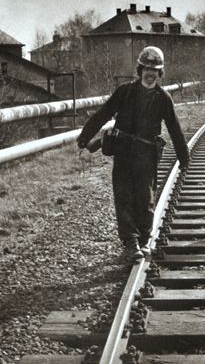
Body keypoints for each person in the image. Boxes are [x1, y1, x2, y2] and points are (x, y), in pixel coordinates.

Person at [77, 46, 189, 261]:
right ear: (140, 69)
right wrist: (85, 137)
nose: (150, 73)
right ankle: (130, 242)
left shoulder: (163, 98)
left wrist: (184, 158)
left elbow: (175, 128)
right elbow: (103, 114)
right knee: (124, 196)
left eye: (155, 70)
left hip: (146, 154)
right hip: (123, 151)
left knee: (145, 198)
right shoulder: (125, 91)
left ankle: (144, 240)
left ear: (160, 73)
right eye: (147, 68)